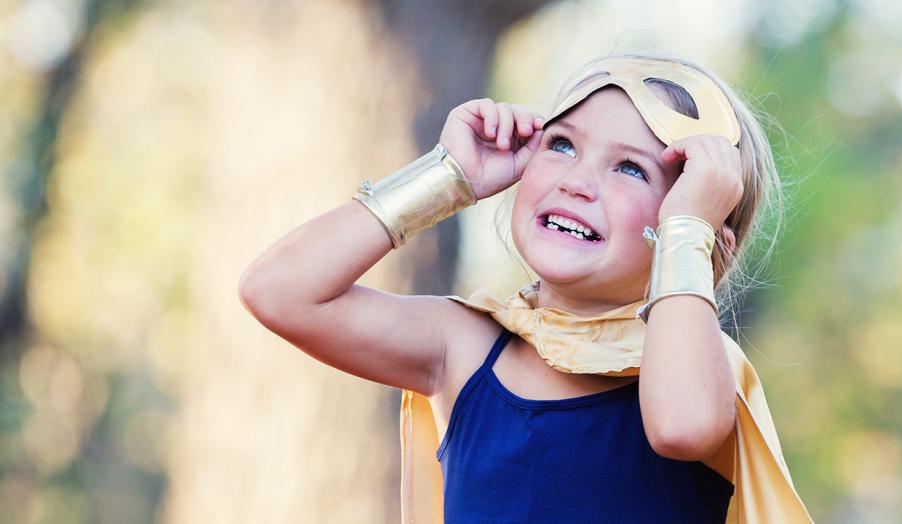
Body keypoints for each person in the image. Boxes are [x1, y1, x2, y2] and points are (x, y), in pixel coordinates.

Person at [238, 51, 812, 523]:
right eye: (561, 145)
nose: (578, 181)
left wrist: (689, 230)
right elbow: (279, 291)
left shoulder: (696, 374)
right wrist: (445, 177)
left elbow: (682, 428)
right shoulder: (465, 346)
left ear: (701, 235)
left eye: (631, 168)